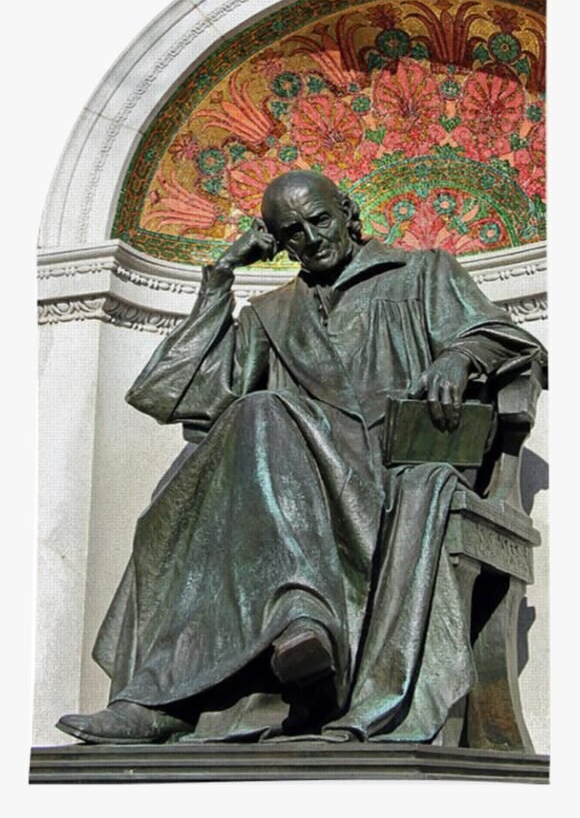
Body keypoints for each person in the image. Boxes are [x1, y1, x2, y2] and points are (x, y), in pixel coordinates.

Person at [57, 170, 545, 745]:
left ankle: (185, 690)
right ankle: (275, 633)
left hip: (387, 475)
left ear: (347, 213)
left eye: (320, 220)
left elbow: (514, 342)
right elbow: (173, 393)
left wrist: (460, 355)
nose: (312, 239)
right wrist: (220, 276)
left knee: (262, 412)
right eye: (293, 232)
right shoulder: (270, 314)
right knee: (209, 469)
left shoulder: (422, 272)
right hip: (297, 492)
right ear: (275, 241)